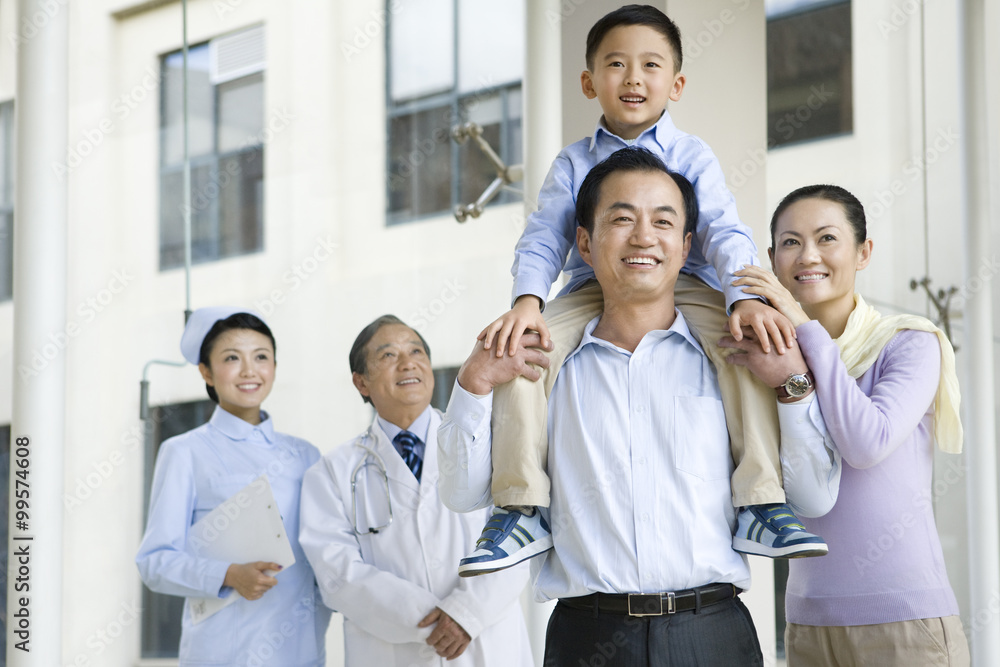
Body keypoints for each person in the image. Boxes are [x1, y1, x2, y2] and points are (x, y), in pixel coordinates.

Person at [460, 3, 824, 576]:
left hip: (691, 284)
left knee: (748, 350)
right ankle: (523, 504)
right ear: (589, 82)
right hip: (592, 290)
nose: (634, 78)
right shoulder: (572, 162)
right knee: (521, 351)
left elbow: (724, 229)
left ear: (675, 83)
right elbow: (541, 239)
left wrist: (743, 296)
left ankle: (761, 501)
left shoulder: (691, 153)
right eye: (616, 64)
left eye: (651, 65)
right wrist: (527, 304)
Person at [439, 148, 833, 665]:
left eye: (663, 222)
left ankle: (759, 511)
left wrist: (793, 385)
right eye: (622, 219)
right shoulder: (538, 367)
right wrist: (471, 385)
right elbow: (460, 493)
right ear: (583, 241)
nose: (644, 237)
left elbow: (815, 497)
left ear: (687, 244)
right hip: (586, 639)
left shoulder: (740, 360)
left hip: (713, 636)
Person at [724, 184, 970, 666]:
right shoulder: (766, 356)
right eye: (791, 242)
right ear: (773, 260)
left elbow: (864, 442)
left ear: (863, 252)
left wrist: (804, 333)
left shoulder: (909, 343)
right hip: (808, 623)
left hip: (906, 623)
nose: (808, 255)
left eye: (827, 238)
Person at [297, 315, 532, 667]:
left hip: (487, 642)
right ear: (361, 382)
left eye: (416, 351)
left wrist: (467, 613)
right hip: (392, 650)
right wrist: (433, 621)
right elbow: (337, 572)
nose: (408, 363)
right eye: (388, 355)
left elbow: (520, 532)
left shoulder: (487, 440)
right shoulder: (332, 472)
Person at [136, 307, 330, 666]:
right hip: (224, 651)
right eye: (231, 358)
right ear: (206, 372)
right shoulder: (184, 452)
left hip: (301, 650)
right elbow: (154, 562)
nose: (249, 371)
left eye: (261, 357)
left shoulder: (305, 454)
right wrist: (227, 574)